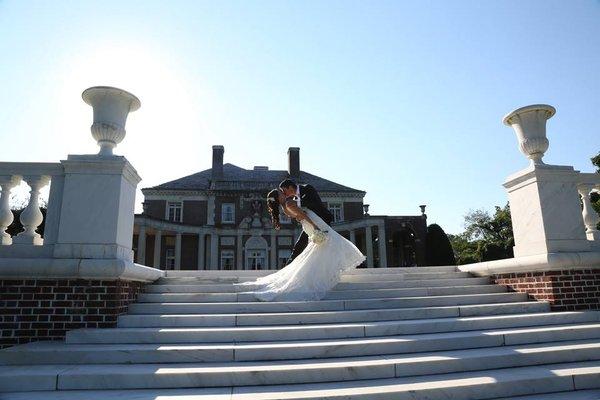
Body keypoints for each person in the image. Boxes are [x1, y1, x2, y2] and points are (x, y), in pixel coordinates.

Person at [236, 186, 366, 301]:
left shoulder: (285, 206)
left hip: (307, 225)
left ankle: (323, 273)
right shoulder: (289, 203)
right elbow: (303, 216)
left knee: (323, 248)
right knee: (330, 243)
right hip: (312, 222)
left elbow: (298, 215)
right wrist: (315, 226)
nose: (283, 192)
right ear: (279, 196)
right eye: (280, 192)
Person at [279, 179, 333, 265]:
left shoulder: (307, 188)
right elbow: (300, 212)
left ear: (290, 187)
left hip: (322, 220)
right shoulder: (294, 199)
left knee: (328, 243)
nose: (284, 193)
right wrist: (298, 215)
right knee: (301, 243)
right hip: (310, 223)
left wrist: (298, 208)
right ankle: (290, 263)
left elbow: (314, 204)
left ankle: (291, 263)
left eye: (284, 190)